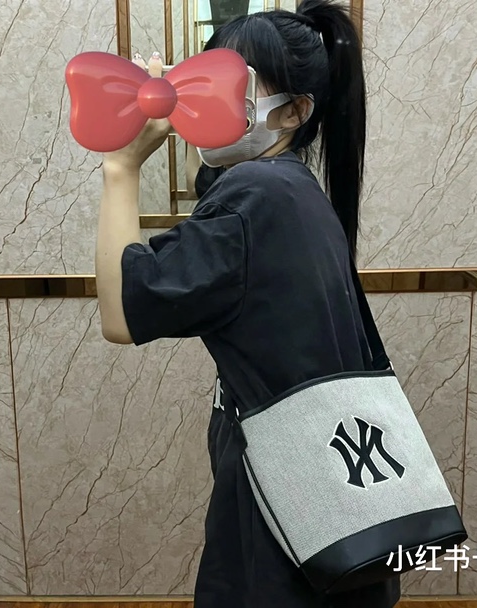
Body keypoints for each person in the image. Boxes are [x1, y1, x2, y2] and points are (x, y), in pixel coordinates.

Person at [92, 0, 400, 606]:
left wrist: (121, 169)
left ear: (294, 111)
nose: (207, 99)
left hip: (280, 494)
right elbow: (207, 202)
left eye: (232, 85)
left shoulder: (254, 196)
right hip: (318, 482)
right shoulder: (289, 185)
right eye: (204, 80)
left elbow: (122, 316)